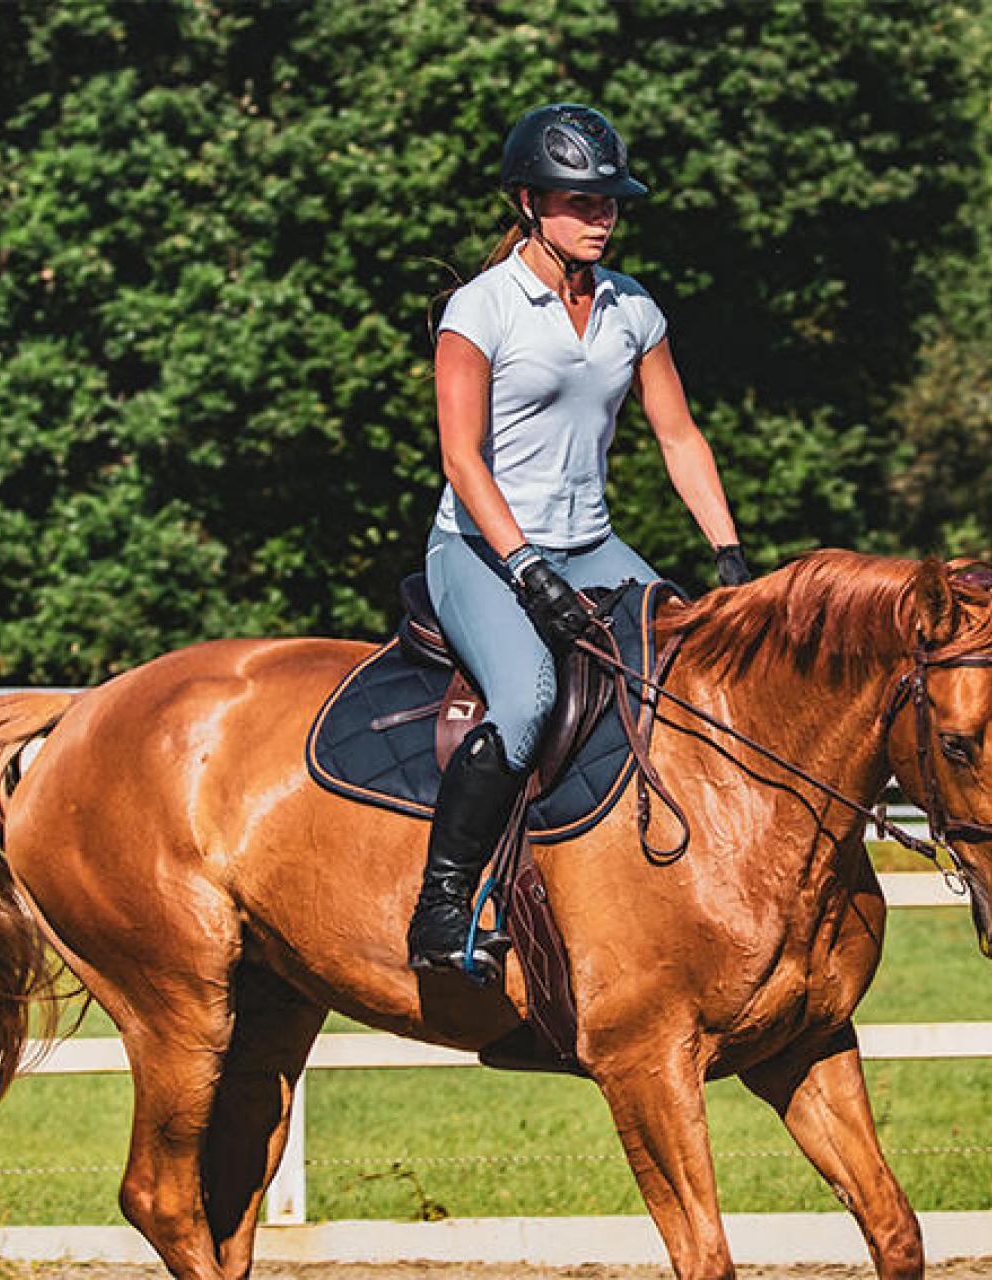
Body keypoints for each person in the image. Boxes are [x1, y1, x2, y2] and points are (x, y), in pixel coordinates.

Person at [409, 103, 751, 982]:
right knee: (524, 701)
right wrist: (524, 567)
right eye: (579, 200)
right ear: (528, 201)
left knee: (692, 673)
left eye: (609, 201)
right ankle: (441, 909)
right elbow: (461, 457)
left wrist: (727, 557)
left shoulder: (632, 308)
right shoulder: (478, 310)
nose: (600, 215)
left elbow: (677, 438)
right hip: (481, 549)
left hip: (592, 545)